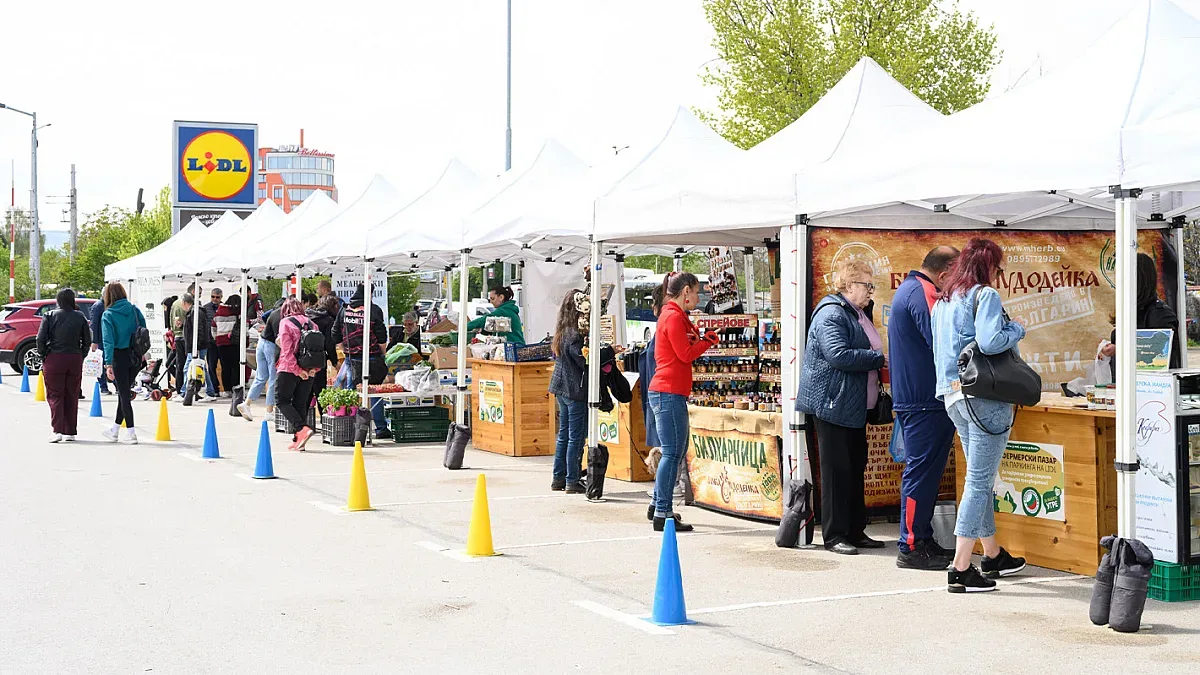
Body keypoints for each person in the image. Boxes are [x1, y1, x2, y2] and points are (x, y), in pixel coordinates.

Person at [932, 238, 1029, 593]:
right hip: (984, 399)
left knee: (979, 478)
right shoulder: (984, 295)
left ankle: (992, 554)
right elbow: (990, 342)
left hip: (952, 396)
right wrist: (1016, 328)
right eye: (998, 268)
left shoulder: (942, 302)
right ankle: (960, 568)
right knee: (978, 481)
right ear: (988, 267)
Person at [796, 258, 886, 556]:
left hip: (853, 404)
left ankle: (855, 530)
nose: (870, 291)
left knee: (855, 467)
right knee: (837, 472)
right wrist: (876, 359)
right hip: (832, 403)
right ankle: (835, 535)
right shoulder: (832, 313)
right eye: (866, 285)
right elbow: (838, 355)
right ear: (848, 285)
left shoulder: (858, 312)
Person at [889, 246, 961, 570]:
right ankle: (911, 544)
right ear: (944, 274)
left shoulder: (911, 289)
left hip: (919, 399)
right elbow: (942, 341)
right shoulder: (924, 292)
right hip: (924, 401)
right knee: (920, 475)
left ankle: (922, 537)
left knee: (926, 475)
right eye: (955, 280)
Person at [649, 272, 717, 532]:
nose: (698, 298)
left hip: (668, 390)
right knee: (673, 451)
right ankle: (663, 511)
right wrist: (707, 343)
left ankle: (658, 504)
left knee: (673, 450)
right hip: (669, 391)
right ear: (685, 291)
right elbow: (685, 354)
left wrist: (701, 337)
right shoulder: (673, 317)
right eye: (697, 292)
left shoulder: (673, 315)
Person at [1102, 252, 1183, 377]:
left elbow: (1158, 356)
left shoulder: (1161, 315)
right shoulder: (1131, 310)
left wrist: (1119, 350)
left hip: (1152, 389)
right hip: (1126, 387)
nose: (1119, 284)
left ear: (1138, 279)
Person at [331, 283, 390, 438]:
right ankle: (381, 428)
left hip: (351, 357)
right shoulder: (374, 310)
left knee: (350, 392)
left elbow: (335, 332)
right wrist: (384, 354)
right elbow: (381, 336)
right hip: (372, 357)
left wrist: (343, 347)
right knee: (374, 391)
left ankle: (349, 427)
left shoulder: (345, 309)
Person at [548, 290, 589, 494]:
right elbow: (582, 360)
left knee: (564, 435)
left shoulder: (562, 329)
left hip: (561, 388)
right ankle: (572, 480)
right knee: (575, 436)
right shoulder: (575, 334)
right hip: (574, 390)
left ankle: (558, 478)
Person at [38, 288, 92, 442]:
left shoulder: (49, 315)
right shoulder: (80, 316)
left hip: (54, 358)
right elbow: (87, 340)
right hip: (74, 358)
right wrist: (81, 354)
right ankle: (70, 431)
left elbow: (40, 339)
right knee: (72, 394)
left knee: (55, 394)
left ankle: (57, 431)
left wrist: (44, 355)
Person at [100, 283, 147, 444]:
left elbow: (108, 341)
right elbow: (143, 330)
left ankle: (131, 432)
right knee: (124, 392)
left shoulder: (108, 315)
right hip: (135, 355)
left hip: (118, 356)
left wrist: (108, 364)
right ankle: (114, 429)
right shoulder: (134, 310)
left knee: (124, 394)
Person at [274, 299, 321, 450]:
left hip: (288, 369)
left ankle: (301, 428)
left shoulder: (285, 323)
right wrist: (312, 369)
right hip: (310, 370)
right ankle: (298, 440)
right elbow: (318, 350)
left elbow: (287, 352)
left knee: (281, 400)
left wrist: (297, 370)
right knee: (300, 403)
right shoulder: (312, 324)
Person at [237, 296, 284, 421]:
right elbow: (278, 339)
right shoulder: (282, 315)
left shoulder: (272, 312)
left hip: (261, 343)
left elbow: (263, 317)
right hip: (271, 346)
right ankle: (269, 411)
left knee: (261, 377)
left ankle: (246, 403)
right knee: (273, 378)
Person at [305, 294, 340, 416]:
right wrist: (335, 362)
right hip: (319, 359)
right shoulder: (328, 320)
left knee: (306, 390)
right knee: (320, 390)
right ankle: (324, 419)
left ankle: (301, 421)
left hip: (304, 357)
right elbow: (329, 344)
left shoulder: (307, 315)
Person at [181, 293, 213, 403]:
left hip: (197, 346)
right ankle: (208, 391)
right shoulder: (194, 312)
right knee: (201, 367)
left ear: (185, 303)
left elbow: (199, 330)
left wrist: (197, 347)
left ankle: (185, 391)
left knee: (188, 368)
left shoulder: (195, 312)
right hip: (197, 345)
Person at [211, 294, 242, 396]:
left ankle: (227, 389)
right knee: (236, 366)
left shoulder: (218, 312)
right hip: (234, 343)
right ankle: (236, 387)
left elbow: (213, 328)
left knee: (225, 367)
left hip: (221, 343)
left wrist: (217, 337)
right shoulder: (236, 313)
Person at [170, 285, 194, 393]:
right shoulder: (189, 307)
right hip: (185, 337)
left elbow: (170, 319)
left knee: (180, 364)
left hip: (177, 336)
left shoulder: (174, 304)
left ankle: (179, 388)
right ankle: (186, 389)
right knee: (187, 365)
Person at [89, 289, 111, 396]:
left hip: (108, 339)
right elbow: (94, 325)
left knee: (109, 362)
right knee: (101, 364)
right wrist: (94, 341)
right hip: (101, 340)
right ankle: (103, 386)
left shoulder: (109, 305)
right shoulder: (98, 306)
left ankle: (113, 384)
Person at [202, 288, 223, 397]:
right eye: (213, 296)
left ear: (221, 298)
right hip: (211, 343)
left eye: (217, 297)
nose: (215, 299)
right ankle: (215, 388)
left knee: (225, 366)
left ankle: (226, 388)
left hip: (223, 342)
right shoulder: (206, 308)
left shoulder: (224, 308)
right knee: (211, 366)